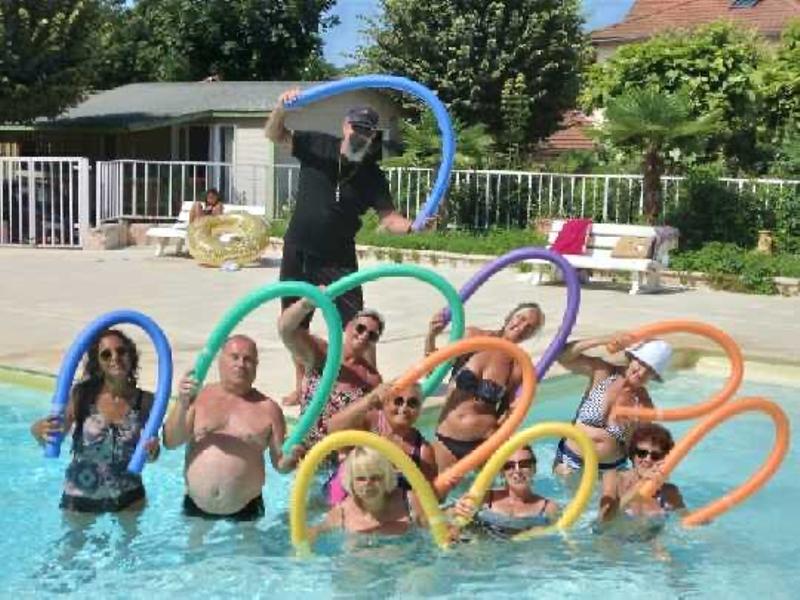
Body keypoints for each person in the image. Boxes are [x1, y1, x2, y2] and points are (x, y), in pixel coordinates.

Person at [265, 88, 419, 406]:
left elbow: (390, 218)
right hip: (299, 250)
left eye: (367, 131)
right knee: (295, 325)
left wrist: (415, 226)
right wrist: (281, 106)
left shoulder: (372, 176)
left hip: (339, 258)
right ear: (346, 126)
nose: (360, 135)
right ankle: (302, 387)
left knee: (359, 325)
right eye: (356, 128)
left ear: (372, 135)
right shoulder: (316, 145)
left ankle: (369, 384)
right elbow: (274, 133)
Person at [162, 335, 301, 521]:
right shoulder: (199, 397)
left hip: (247, 509)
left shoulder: (269, 409)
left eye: (248, 359)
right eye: (234, 357)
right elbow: (170, 442)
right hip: (196, 505)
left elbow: (280, 465)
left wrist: (292, 458)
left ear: (256, 366)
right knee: (192, 550)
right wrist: (182, 403)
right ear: (220, 360)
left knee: (247, 550)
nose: (241, 364)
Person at [30, 329, 160, 513]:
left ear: (130, 355)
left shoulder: (146, 401)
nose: (115, 357)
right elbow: (55, 433)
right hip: (81, 495)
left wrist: (153, 452)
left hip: (129, 496)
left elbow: (152, 453)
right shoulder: (82, 395)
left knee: (132, 543)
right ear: (98, 364)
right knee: (72, 542)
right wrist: (38, 430)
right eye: (106, 354)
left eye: (121, 351)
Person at [425, 303, 545, 473]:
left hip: (484, 444)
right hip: (448, 439)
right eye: (521, 318)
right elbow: (432, 373)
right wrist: (431, 336)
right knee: (435, 494)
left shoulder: (518, 365)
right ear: (509, 316)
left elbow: (506, 411)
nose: (522, 327)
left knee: (483, 496)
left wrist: (510, 415)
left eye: (530, 327)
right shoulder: (472, 337)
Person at [554, 337, 673, 475]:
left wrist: (630, 430)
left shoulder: (643, 405)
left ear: (653, 376)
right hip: (569, 459)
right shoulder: (603, 372)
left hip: (608, 470)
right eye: (641, 364)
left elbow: (638, 451)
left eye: (649, 371)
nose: (641, 373)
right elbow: (562, 356)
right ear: (632, 357)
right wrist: (604, 339)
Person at [278, 297, 383, 449]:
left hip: (341, 459)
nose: (364, 335)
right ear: (348, 326)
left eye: (372, 335)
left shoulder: (371, 379)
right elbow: (286, 331)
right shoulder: (322, 354)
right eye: (360, 328)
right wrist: (306, 303)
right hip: (306, 453)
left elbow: (374, 425)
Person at [327, 382, 437, 503]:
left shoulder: (423, 452)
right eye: (398, 401)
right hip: (346, 502)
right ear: (385, 403)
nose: (404, 408)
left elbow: (430, 500)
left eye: (412, 403)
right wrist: (370, 399)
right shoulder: (369, 424)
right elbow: (333, 429)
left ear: (419, 410)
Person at [311, 447, 426, 539]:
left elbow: (437, 526)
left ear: (386, 477)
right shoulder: (342, 512)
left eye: (375, 477)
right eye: (361, 479)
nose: (368, 484)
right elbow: (313, 533)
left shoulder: (409, 502)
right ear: (351, 481)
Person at [598, 423, 686, 542]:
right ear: (633, 454)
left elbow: (688, 522)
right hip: (613, 541)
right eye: (642, 453)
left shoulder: (669, 491)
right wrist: (640, 485)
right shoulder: (614, 477)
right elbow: (604, 519)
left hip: (651, 544)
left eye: (655, 456)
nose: (647, 459)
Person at [453, 446, 559, 539]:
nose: (517, 471)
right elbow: (448, 519)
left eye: (524, 464)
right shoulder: (484, 499)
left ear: (534, 468)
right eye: (509, 466)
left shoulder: (548, 508)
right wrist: (457, 511)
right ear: (502, 472)